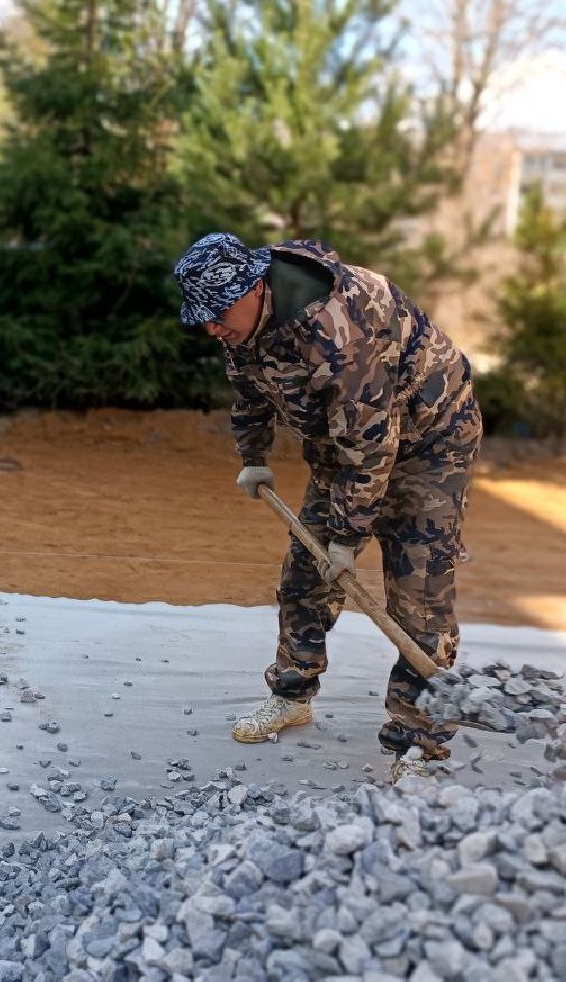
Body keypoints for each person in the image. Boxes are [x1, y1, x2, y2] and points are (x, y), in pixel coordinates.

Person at [172, 232, 482, 780]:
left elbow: (372, 447)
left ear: (256, 286)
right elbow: (250, 391)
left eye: (217, 314)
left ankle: (420, 741)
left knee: (418, 599)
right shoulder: (238, 322)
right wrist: (255, 455)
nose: (211, 328)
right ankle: (293, 694)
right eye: (203, 317)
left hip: (431, 441)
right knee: (304, 579)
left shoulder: (335, 331)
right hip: (352, 444)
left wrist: (346, 538)